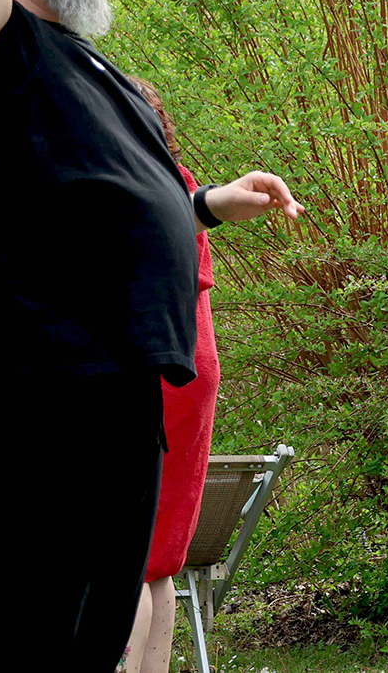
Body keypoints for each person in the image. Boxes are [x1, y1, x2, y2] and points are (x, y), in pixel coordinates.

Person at [0, 0, 302, 670]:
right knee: (32, 635)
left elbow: (91, 204)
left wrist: (204, 205)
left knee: (95, 634)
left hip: (123, 384)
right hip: (50, 388)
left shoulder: (89, 61)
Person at [120, 76, 287, 673]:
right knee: (159, 562)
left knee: (124, 561)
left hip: (154, 376)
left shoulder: (140, 188)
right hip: (189, 372)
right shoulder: (179, 182)